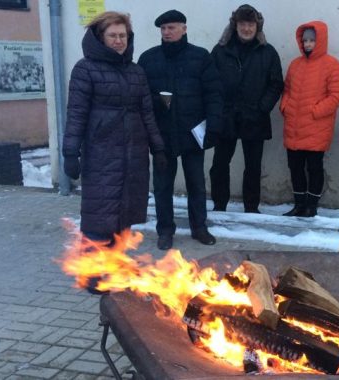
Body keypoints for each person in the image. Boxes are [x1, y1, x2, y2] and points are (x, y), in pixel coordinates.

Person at [62, 11, 166, 243]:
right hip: (102, 155)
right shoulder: (85, 69)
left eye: (123, 36)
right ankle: (92, 274)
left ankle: (117, 272)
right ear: (100, 37)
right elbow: (76, 115)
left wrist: (158, 148)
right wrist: (70, 153)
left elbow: (147, 113)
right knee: (99, 218)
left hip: (134, 155)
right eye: (113, 36)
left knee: (125, 219)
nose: (119, 41)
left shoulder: (136, 71)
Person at [137, 10, 224, 249]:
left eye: (172, 27)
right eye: (163, 29)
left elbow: (214, 94)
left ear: (184, 29)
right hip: (161, 136)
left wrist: (213, 126)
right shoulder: (148, 58)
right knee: (163, 186)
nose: (167, 32)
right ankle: (165, 230)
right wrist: (157, 102)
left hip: (192, 134)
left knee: (196, 183)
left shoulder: (200, 57)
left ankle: (199, 227)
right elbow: (140, 96)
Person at [209, 4, 284, 213]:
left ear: (257, 26)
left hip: (255, 117)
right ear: (235, 25)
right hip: (227, 116)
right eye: (243, 24)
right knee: (220, 164)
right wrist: (219, 108)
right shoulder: (220, 50)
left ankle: (251, 208)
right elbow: (210, 81)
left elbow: (276, 83)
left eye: (251, 24)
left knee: (253, 166)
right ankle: (219, 205)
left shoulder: (268, 52)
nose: (247, 28)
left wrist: (263, 108)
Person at [279, 21, 339, 217]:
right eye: (305, 40)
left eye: (312, 40)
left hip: (317, 128)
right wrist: (285, 107)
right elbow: (287, 90)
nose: (308, 44)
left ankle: (311, 206)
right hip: (294, 127)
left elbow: (336, 96)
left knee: (314, 168)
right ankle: (299, 204)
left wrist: (315, 111)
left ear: (320, 41)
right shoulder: (295, 64)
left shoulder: (331, 64)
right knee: (295, 167)